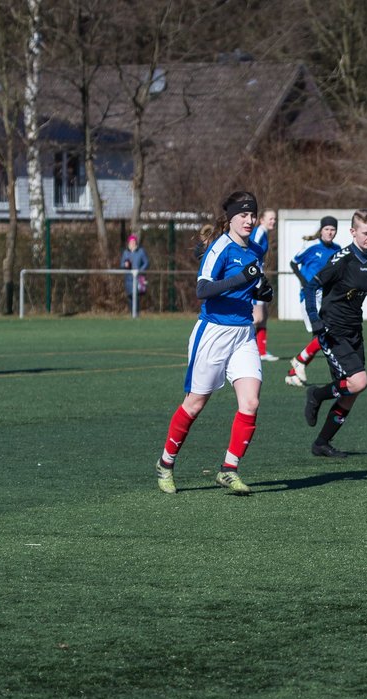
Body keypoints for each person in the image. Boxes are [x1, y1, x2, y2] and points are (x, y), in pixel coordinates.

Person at [154, 190, 274, 496]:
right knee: (195, 404)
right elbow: (203, 290)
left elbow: (251, 285)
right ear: (231, 217)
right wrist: (240, 279)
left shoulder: (256, 250)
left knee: (251, 402)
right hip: (214, 333)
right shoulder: (220, 247)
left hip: (244, 333)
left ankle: (229, 469)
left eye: (252, 215)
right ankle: (166, 463)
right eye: (243, 215)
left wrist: (262, 291)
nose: (248, 220)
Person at [302, 209, 367, 458]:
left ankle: (321, 443)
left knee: (353, 392)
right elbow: (311, 286)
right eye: (365, 233)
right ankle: (316, 394)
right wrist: (315, 320)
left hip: (354, 331)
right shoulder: (342, 260)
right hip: (333, 331)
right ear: (353, 232)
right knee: (359, 382)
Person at [284, 216, 341, 387]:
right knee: (322, 334)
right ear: (321, 231)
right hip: (310, 296)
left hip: (326, 296)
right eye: (327, 229)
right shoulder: (311, 246)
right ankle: (298, 363)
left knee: (321, 336)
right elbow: (294, 263)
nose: (330, 232)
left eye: (333, 229)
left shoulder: (338, 249)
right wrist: (304, 282)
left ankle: (295, 370)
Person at [250, 208, 279, 361]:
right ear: (261, 220)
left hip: (259, 276)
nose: (273, 221)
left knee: (264, 316)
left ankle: (261, 352)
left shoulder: (264, 233)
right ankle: (242, 347)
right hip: (254, 279)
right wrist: (255, 275)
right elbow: (249, 252)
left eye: (274, 219)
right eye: (270, 218)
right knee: (257, 317)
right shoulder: (259, 232)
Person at [120, 233, 150, 313]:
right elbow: (121, 264)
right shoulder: (126, 252)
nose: (132, 243)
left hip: (138, 278)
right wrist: (125, 265)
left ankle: (136, 313)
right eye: (131, 242)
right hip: (128, 278)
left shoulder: (141, 251)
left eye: (134, 241)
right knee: (130, 296)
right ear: (128, 243)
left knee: (136, 296)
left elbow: (146, 262)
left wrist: (140, 270)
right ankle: (131, 313)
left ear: (136, 242)